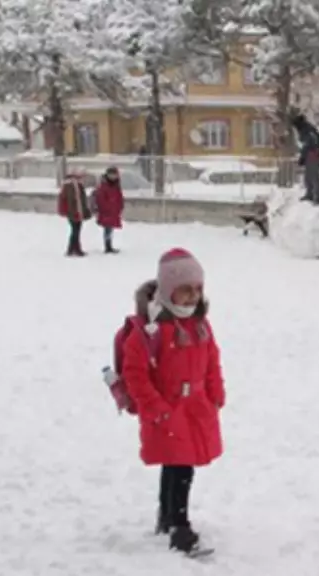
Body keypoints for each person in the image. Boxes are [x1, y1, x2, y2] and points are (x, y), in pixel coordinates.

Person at [120, 249, 224, 556]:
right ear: (167, 291)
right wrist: (157, 408)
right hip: (169, 411)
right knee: (181, 468)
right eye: (185, 290)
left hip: (195, 409)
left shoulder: (200, 325)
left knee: (177, 464)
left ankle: (166, 516)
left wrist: (215, 392)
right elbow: (135, 373)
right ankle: (179, 525)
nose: (193, 297)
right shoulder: (151, 330)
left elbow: (211, 362)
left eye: (198, 289)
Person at [292, 113, 319, 205]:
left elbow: (307, 146)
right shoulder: (307, 130)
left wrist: (302, 157)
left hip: (314, 156)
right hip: (312, 156)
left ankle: (317, 196)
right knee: (308, 176)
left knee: (314, 176)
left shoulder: (307, 132)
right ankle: (310, 193)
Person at [58, 170, 92, 257]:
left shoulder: (78, 185)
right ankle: (75, 249)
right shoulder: (70, 185)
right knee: (75, 230)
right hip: (73, 212)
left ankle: (72, 249)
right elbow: (70, 200)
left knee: (76, 230)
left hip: (77, 211)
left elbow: (82, 200)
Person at [93, 167, 125, 254]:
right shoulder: (103, 185)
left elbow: (119, 196)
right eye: (111, 174)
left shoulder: (116, 185)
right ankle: (108, 246)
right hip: (107, 211)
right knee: (107, 228)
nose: (113, 176)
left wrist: (120, 206)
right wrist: (106, 207)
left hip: (114, 210)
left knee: (110, 228)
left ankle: (109, 245)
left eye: (115, 174)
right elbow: (100, 199)